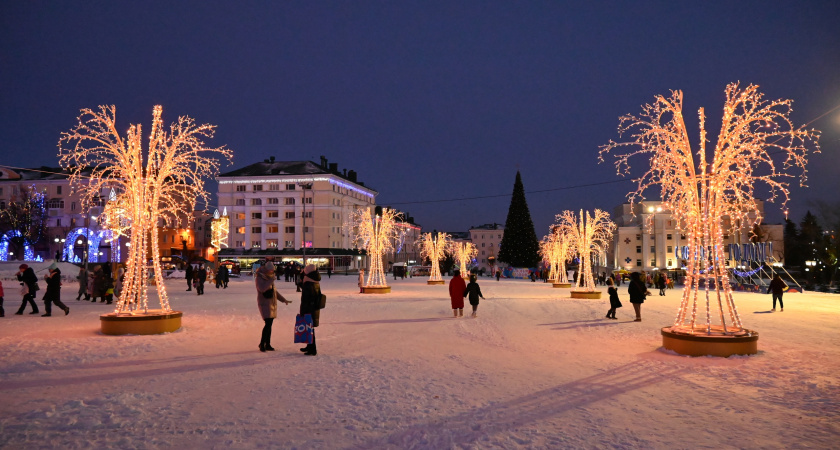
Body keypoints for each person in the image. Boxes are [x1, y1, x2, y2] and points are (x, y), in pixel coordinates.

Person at [255, 261, 290, 352]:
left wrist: (283, 300)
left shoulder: (269, 277)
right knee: (268, 324)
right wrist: (271, 280)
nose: (271, 272)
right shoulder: (260, 277)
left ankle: (268, 344)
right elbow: (262, 289)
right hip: (264, 303)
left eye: (272, 271)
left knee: (269, 324)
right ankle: (262, 344)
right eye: (270, 271)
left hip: (272, 303)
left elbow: (274, 292)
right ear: (266, 270)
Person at [300, 264, 322, 356]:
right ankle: (309, 346)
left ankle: (312, 349)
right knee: (310, 329)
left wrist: (303, 312)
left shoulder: (308, 283)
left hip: (309, 309)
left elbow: (306, 298)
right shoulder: (315, 280)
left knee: (310, 329)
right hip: (313, 308)